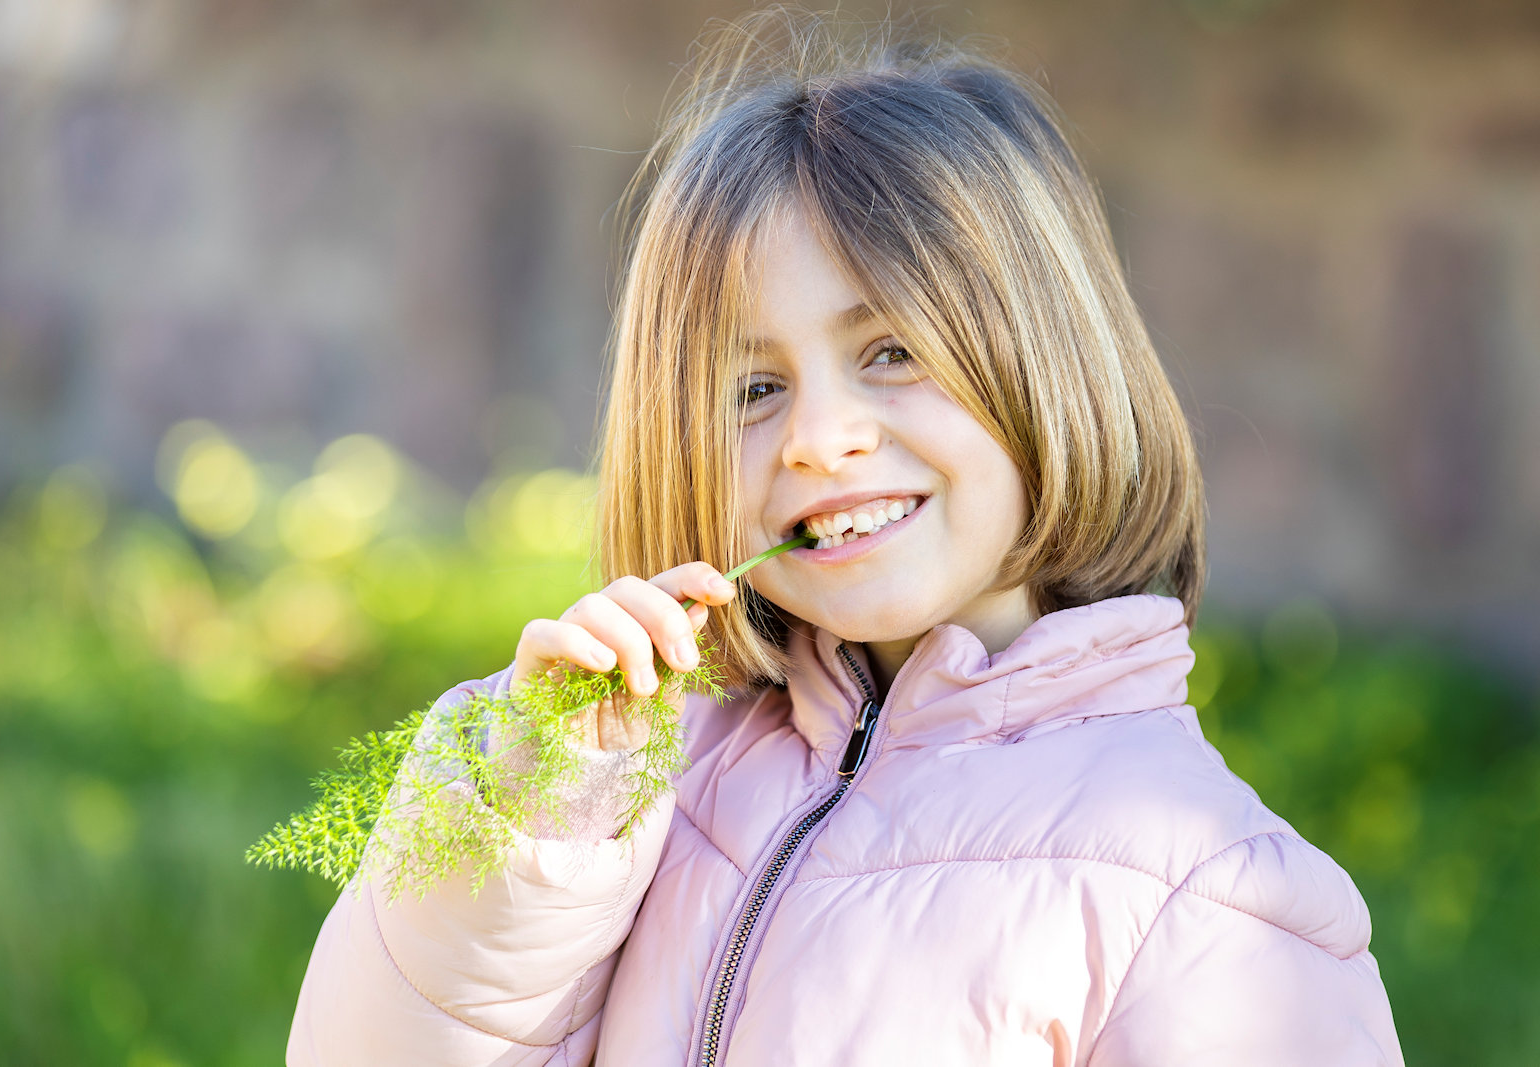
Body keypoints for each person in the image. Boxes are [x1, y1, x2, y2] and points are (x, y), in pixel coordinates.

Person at [287, 10, 1404, 1065]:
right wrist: (528, 822)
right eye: (754, 387)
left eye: (890, 352)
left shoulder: (1207, 901)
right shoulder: (642, 783)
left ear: (1041, 361)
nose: (819, 439)